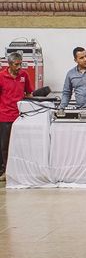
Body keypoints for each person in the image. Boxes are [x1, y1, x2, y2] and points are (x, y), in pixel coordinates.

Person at [0, 52, 33, 181]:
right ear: (9, 64)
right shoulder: (1, 76)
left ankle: (19, 169)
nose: (19, 67)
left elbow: (29, 93)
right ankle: (5, 171)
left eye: (21, 64)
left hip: (21, 116)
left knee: (21, 145)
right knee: (5, 146)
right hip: (5, 116)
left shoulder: (24, 75)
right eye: (16, 64)